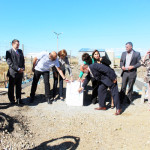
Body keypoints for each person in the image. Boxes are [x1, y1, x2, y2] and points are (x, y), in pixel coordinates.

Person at [6, 39, 25, 104]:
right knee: (11, 87)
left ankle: (19, 99)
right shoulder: (9, 52)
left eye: (18, 45)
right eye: (17, 44)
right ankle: (12, 100)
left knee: (19, 87)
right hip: (13, 73)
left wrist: (22, 68)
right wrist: (18, 69)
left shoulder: (20, 51)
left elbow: (23, 60)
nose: (18, 46)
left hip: (20, 73)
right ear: (13, 44)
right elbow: (9, 62)